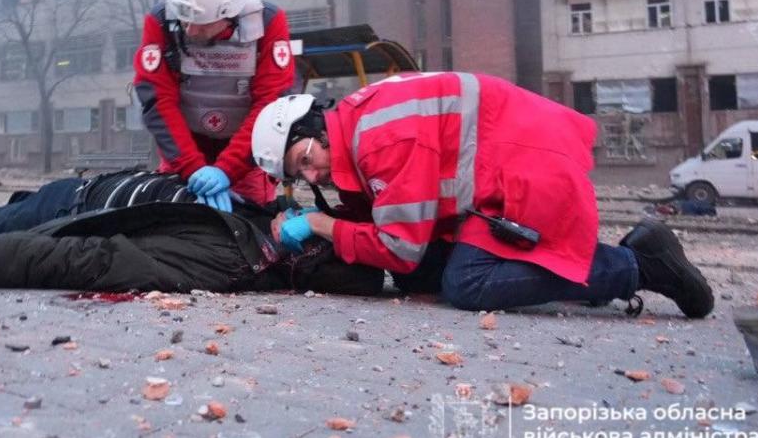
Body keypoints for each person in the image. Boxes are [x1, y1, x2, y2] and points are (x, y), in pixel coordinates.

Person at [249, 72, 715, 319]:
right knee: (425, 278)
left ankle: (640, 267)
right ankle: (614, 264)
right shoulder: (356, 123)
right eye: (300, 175)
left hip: (524, 166)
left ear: (311, 128)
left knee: (466, 284)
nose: (314, 174)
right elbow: (386, 217)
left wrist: (316, 223)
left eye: (306, 158)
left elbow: (399, 247)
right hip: (511, 160)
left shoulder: (381, 140)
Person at [0, 167, 384, 296]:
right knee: (6, 208)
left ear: (303, 250)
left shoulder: (237, 256)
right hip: (96, 193)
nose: (291, 210)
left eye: (305, 224)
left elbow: (108, 259)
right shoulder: (260, 225)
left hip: (80, 209)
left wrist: (3, 257)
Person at [134, 0, 295, 214]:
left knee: (251, 224)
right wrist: (191, 166)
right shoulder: (161, 22)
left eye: (203, 22)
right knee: (170, 219)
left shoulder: (267, 23)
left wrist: (228, 169)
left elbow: (270, 105)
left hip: (245, 155)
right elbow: (158, 102)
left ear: (232, 12)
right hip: (184, 150)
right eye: (184, 20)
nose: (190, 29)